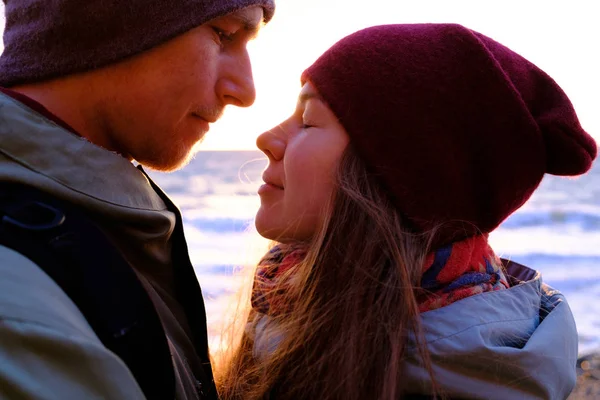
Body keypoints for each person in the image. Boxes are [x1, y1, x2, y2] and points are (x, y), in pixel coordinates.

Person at [216, 24, 597, 399]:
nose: (266, 139)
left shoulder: (442, 379)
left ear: (397, 178)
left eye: (309, 121)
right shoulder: (288, 294)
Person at [0, 0, 275, 399]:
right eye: (224, 34)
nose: (245, 91)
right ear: (106, 17)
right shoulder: (19, 305)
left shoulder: (97, 218)